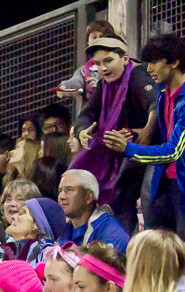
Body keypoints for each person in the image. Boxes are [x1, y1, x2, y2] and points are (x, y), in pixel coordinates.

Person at [104, 34, 185, 240]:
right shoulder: (164, 93)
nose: (149, 69)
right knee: (156, 249)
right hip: (165, 184)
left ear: (174, 62)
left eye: (154, 62)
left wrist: (129, 148)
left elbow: (175, 151)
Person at [72, 35, 158, 233]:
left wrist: (145, 132)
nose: (102, 68)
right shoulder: (105, 85)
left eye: (108, 61)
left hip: (152, 152)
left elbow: (156, 102)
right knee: (119, 197)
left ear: (125, 59)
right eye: (98, 64)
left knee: (144, 196)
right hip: (125, 153)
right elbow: (86, 115)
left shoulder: (138, 74)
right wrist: (81, 131)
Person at [57, 169, 131, 252]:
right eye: (60, 191)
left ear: (88, 197)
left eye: (69, 190)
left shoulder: (111, 233)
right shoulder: (60, 228)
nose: (61, 196)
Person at [57, 20, 117, 101]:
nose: (97, 40)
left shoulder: (119, 66)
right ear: (88, 41)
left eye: (102, 37)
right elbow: (75, 82)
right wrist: (64, 86)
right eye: (94, 37)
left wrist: (101, 87)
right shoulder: (83, 71)